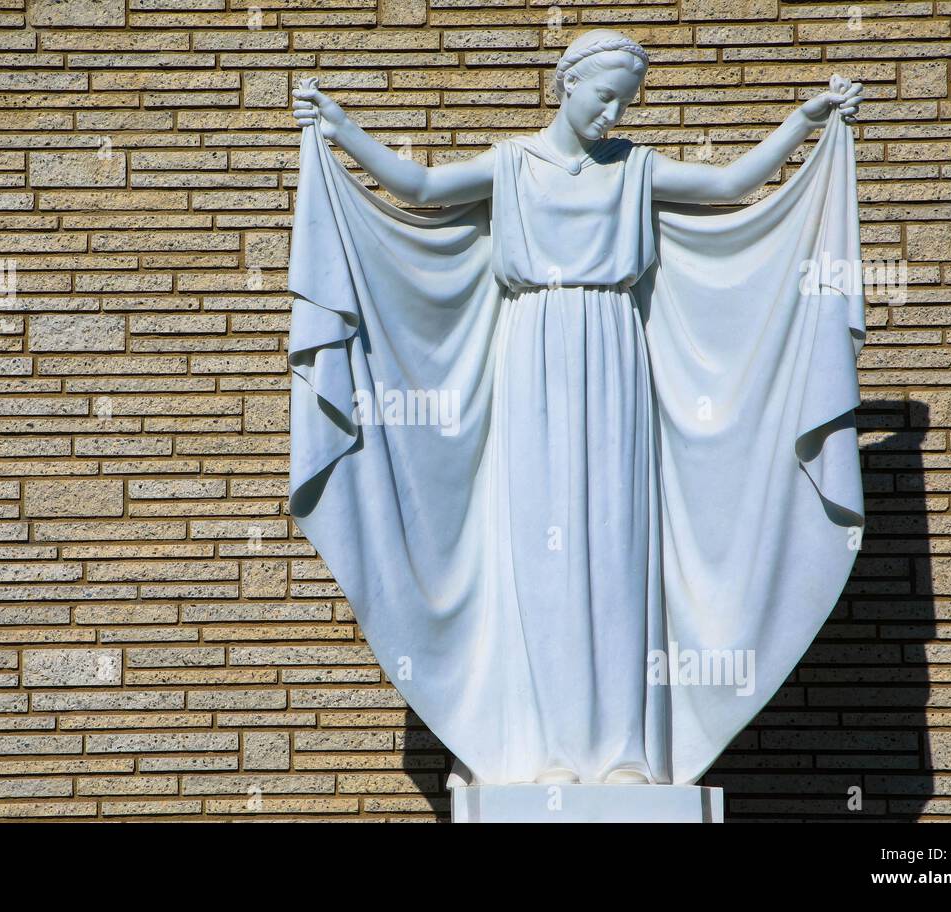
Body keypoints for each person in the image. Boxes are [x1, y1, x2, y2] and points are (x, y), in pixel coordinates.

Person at [287, 29, 868, 787]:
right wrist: (339, 130)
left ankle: (623, 751)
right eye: (603, 96)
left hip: (614, 354)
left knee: (616, 544)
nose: (612, 113)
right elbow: (423, 188)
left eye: (625, 102)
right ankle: (543, 750)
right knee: (539, 550)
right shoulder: (512, 165)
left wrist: (805, 121)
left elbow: (730, 188)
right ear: (566, 85)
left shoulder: (634, 169)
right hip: (534, 352)